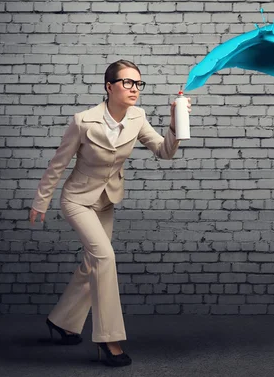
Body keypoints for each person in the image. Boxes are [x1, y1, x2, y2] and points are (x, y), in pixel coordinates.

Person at [29, 59, 191, 367]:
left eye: (138, 84)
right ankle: (109, 339)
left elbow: (164, 151)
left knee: (93, 264)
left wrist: (175, 122)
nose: (134, 89)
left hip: (105, 202)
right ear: (109, 87)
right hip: (77, 200)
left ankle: (62, 322)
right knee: (105, 258)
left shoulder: (137, 117)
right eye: (127, 83)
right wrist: (41, 201)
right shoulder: (83, 121)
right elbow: (58, 164)